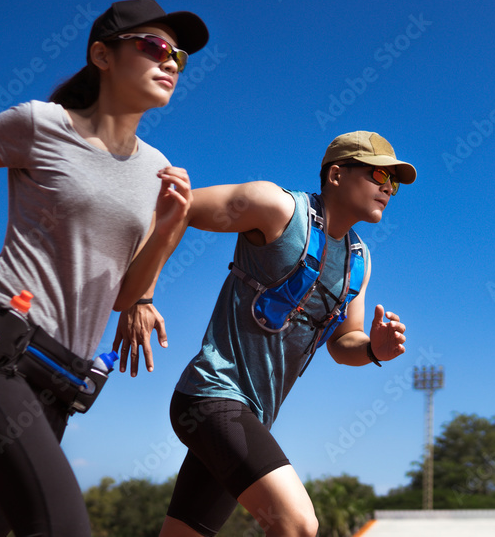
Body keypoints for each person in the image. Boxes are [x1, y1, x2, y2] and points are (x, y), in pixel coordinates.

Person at [0, 0, 209, 536]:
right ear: (102, 55)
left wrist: (171, 232)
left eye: (178, 55)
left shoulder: (156, 170)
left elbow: (126, 296)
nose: (170, 61)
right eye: (153, 47)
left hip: (59, 381)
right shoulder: (38, 124)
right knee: (62, 527)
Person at [131, 131, 415, 536]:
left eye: (394, 182)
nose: (388, 188)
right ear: (336, 174)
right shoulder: (276, 207)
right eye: (377, 174)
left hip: (253, 416)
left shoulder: (358, 259)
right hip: (211, 397)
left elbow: (342, 343)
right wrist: (141, 296)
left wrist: (374, 350)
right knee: (297, 524)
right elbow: (182, 208)